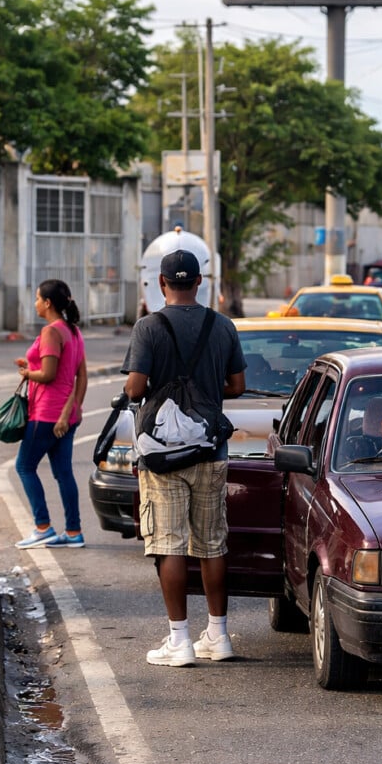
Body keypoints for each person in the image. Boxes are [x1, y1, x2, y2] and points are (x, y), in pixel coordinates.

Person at [122, 250, 246, 667]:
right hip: (211, 448)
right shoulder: (222, 325)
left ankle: (179, 641)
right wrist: (204, 391)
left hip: (163, 454)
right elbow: (238, 385)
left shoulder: (149, 327)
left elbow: (136, 389)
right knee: (212, 544)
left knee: (168, 544)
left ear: (160, 284)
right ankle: (219, 635)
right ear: (199, 282)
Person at [12, 280, 89, 549]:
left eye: (37, 299)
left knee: (24, 466)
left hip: (46, 414)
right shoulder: (73, 332)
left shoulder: (50, 332)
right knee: (63, 473)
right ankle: (73, 532)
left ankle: (42, 526)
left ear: (47, 303)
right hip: (66, 416)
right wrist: (72, 410)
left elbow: (49, 374)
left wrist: (27, 373)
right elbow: (80, 376)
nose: (35, 304)